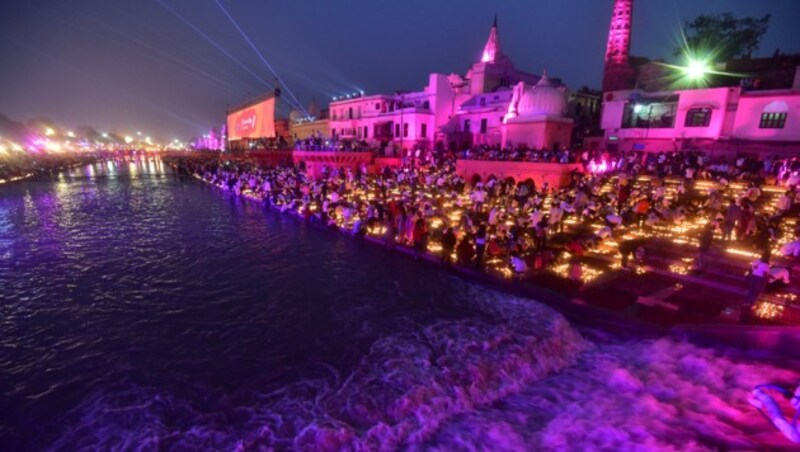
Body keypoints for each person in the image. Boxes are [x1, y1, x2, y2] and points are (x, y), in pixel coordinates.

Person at [742, 253, 770, 324]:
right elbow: (765, 274)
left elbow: (752, 268)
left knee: (751, 290)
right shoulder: (766, 264)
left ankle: (746, 302)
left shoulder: (756, 261)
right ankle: (751, 304)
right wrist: (766, 280)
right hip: (759, 279)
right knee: (756, 292)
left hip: (753, 277)